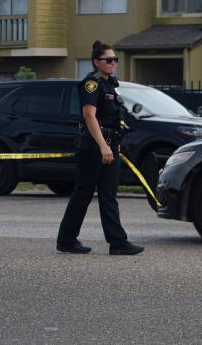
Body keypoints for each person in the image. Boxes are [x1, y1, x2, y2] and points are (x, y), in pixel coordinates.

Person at [56, 41, 144, 255]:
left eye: (115, 59)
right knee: (84, 193)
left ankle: (117, 243)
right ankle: (66, 239)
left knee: (108, 194)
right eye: (108, 60)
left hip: (110, 144)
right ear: (96, 62)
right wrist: (103, 146)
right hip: (94, 147)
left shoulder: (110, 84)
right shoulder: (91, 84)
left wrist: (112, 145)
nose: (113, 63)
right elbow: (89, 115)